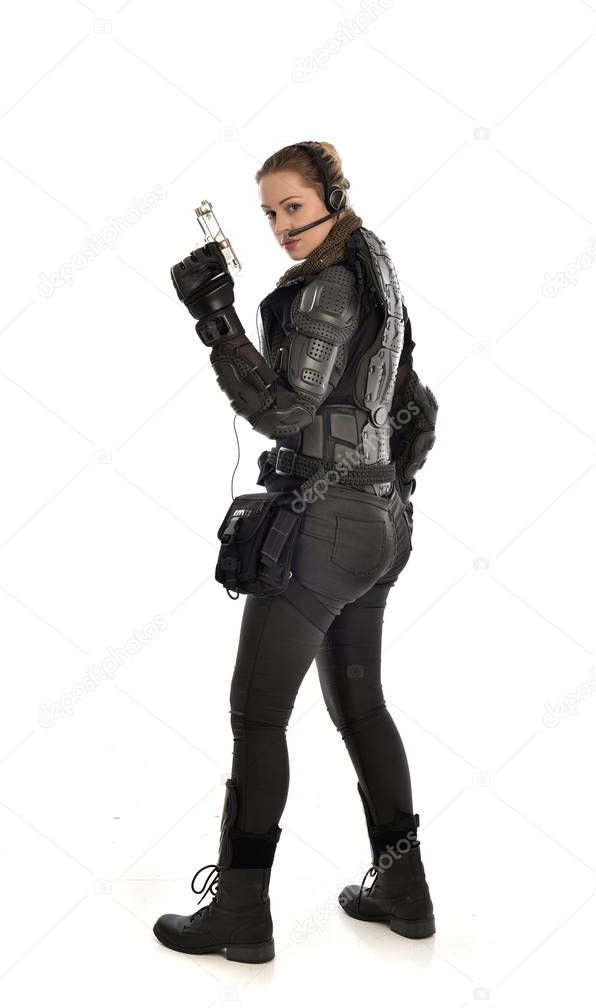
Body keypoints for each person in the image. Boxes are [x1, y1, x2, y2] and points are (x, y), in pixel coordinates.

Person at [153, 141, 438, 963]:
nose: (281, 226)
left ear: (331, 196)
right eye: (270, 212)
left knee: (257, 715)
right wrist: (383, 485)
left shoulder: (331, 283)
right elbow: (413, 402)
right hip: (382, 523)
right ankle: (404, 888)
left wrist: (214, 318)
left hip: (327, 530)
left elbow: (280, 412)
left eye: (294, 207)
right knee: (362, 705)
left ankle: (239, 912)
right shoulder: (373, 263)